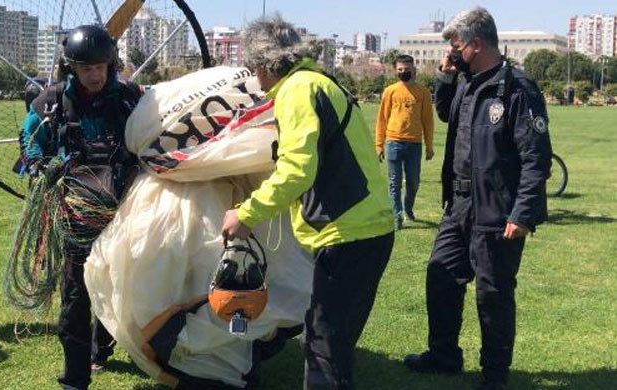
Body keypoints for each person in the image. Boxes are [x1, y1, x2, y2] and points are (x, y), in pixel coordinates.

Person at [221, 17, 395, 390]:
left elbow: (298, 170)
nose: (255, 78)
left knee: (323, 345)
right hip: (366, 229)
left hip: (349, 234)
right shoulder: (317, 82)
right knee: (331, 337)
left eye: (254, 68)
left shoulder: (298, 91)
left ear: (266, 64)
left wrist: (247, 213)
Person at [402, 8, 552, 390]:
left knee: (493, 294)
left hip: (496, 210)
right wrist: (445, 78)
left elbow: (536, 157)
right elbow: (445, 113)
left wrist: (523, 213)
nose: (452, 52)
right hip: (460, 204)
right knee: (441, 275)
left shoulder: (517, 88)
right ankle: (444, 355)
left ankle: (494, 376)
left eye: (456, 45)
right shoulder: (467, 82)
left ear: (477, 44)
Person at [21, 25, 141, 390]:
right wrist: (44, 167)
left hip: (126, 212)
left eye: (101, 67)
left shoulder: (129, 99)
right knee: (75, 297)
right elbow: (30, 144)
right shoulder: (50, 102)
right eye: (86, 68)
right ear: (72, 67)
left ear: (111, 64)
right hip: (75, 216)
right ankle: (75, 379)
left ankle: (102, 348)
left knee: (122, 285)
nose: (94, 75)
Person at [375, 54, 434, 229]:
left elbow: (428, 121)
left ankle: (408, 208)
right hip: (393, 142)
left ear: (413, 70)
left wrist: (429, 146)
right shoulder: (390, 91)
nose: (403, 72)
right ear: (396, 71)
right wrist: (379, 145)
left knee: (413, 181)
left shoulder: (423, 92)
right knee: (394, 181)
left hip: (414, 144)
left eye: (406, 70)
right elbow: (382, 119)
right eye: (400, 70)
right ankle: (397, 216)